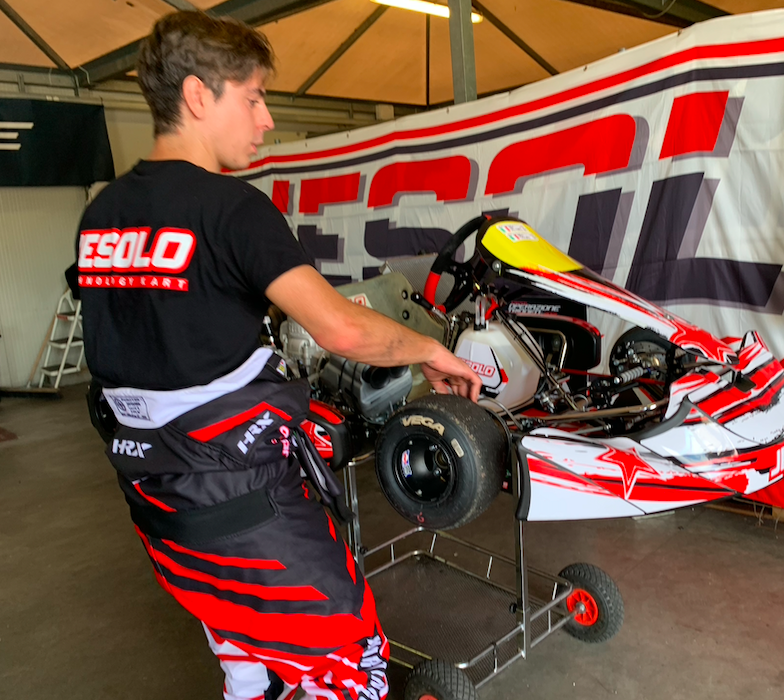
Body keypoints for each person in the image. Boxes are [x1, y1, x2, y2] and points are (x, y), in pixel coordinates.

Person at [75, 10, 482, 700]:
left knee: (235, 625)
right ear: (199, 95)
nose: (265, 120)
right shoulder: (231, 208)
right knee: (351, 661)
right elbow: (340, 330)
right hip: (243, 499)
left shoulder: (103, 213)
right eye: (254, 97)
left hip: (153, 497)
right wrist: (430, 350)